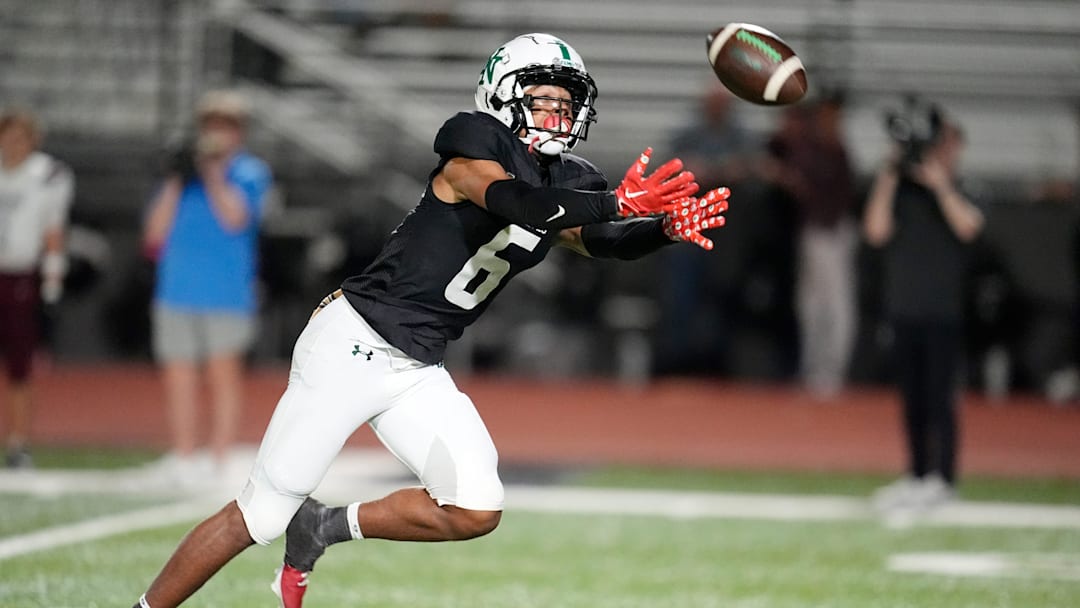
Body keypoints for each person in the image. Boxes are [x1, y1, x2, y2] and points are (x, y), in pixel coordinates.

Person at [131, 33, 729, 608]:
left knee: (475, 507)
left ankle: (323, 526)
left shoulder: (570, 181)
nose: (556, 112)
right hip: (355, 341)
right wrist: (618, 203)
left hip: (417, 364)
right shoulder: (473, 142)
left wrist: (662, 230)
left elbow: (597, 240)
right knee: (260, 514)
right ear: (502, 93)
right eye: (541, 97)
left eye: (566, 102)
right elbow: (511, 201)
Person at [142, 90, 272, 480]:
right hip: (176, 289)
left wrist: (213, 173)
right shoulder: (180, 178)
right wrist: (177, 180)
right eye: (211, 127)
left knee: (222, 374)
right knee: (178, 375)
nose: (217, 135)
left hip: (226, 292)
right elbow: (152, 236)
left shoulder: (250, 172)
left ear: (239, 133)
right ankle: (183, 455)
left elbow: (236, 218)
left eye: (226, 128)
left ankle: (220, 457)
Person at [863, 110, 984, 512]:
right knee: (911, 399)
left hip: (943, 311)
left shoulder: (961, 188)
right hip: (904, 308)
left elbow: (969, 227)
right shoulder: (902, 192)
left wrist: (941, 185)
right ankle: (916, 476)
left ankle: (944, 479)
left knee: (940, 398)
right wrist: (890, 172)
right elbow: (875, 232)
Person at [767, 93, 859, 399]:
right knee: (810, 305)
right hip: (814, 234)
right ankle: (815, 370)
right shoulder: (813, 148)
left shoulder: (835, 149)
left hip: (831, 234)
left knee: (834, 305)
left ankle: (831, 372)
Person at [0, 108, 74, 469]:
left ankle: (18, 442)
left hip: (19, 275)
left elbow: (53, 231)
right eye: (7, 136)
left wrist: (52, 281)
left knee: (19, 366)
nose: (12, 145)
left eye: (20, 137)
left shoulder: (47, 175)